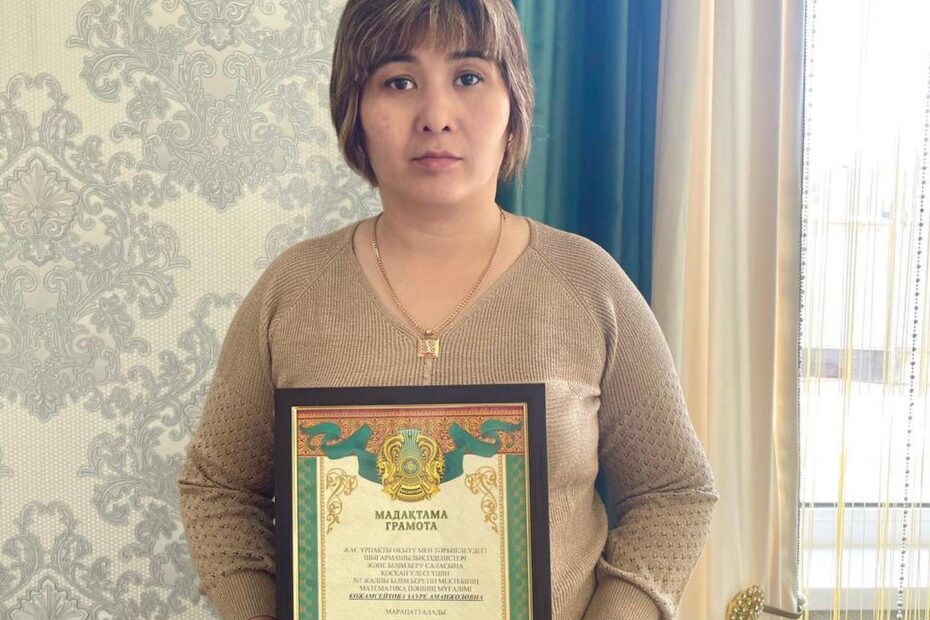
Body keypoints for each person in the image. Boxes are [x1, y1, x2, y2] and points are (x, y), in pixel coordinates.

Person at [177, 0, 719, 618]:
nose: (435, 116)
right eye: (399, 82)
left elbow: (674, 493)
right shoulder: (293, 289)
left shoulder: (587, 282)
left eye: (468, 76)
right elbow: (218, 488)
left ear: (513, 105)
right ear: (355, 111)